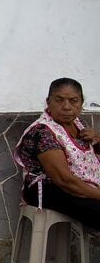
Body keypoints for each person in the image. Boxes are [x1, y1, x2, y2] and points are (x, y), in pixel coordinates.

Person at [13, 77, 100, 229]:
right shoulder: (42, 132)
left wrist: (97, 140)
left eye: (73, 101)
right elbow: (64, 180)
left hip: (80, 186)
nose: (67, 107)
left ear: (81, 103)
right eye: (59, 100)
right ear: (48, 102)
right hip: (50, 190)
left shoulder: (80, 125)